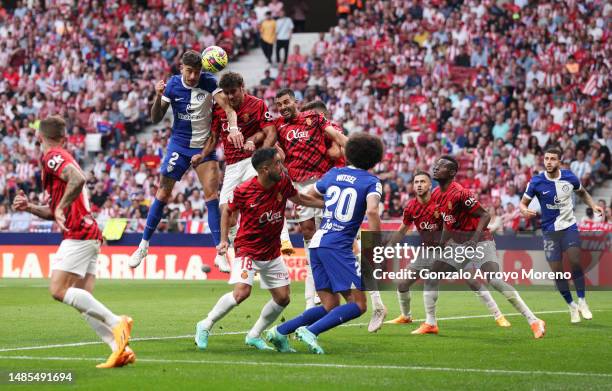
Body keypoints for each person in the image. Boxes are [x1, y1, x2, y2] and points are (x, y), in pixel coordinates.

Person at [12, 116, 134, 368]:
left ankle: (116, 322)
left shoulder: (52, 156)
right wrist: (30, 207)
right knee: (82, 300)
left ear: (40, 137)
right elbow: (55, 206)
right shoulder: (60, 158)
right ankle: (119, 349)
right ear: (65, 136)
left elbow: (78, 179)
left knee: (58, 290)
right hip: (88, 233)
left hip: (77, 232)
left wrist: (62, 208)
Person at [194, 148, 324, 350]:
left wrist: (325, 204)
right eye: (277, 163)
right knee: (242, 293)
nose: (281, 167)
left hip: (271, 251)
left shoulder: (282, 182)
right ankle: (206, 323)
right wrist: (223, 240)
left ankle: (254, 335)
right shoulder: (244, 190)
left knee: (283, 298)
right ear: (265, 169)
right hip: (248, 249)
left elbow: (300, 198)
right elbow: (227, 212)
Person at [266, 132, 383, 354]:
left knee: (330, 305)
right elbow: (372, 211)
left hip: (318, 242)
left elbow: (308, 196)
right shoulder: (372, 182)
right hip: (338, 246)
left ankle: (280, 332)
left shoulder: (334, 173)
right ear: (375, 159)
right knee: (358, 305)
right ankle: (310, 331)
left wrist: (328, 206)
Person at [129, 50, 238, 273]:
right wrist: (158, 96)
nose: (192, 77)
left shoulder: (208, 82)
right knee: (163, 193)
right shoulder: (172, 85)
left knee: (212, 195)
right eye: (189, 72)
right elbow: (155, 118)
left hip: (204, 146)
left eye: (196, 72)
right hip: (179, 145)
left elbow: (227, 108)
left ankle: (220, 253)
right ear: (181, 69)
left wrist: (232, 122)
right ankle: (143, 245)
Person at [414, 156, 545, 339]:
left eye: (441, 166)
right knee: (432, 275)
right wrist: (442, 243)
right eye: (435, 165)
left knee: (495, 280)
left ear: (452, 173)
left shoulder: (461, 193)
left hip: (480, 240)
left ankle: (534, 320)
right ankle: (430, 323)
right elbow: (447, 222)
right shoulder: (436, 194)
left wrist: (474, 240)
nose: (435, 168)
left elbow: (485, 216)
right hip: (459, 244)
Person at [301, 100, 387, 332]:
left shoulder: (337, 138)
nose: (309, 122)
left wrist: (324, 128)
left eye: (314, 118)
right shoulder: (302, 138)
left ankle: (376, 303)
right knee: (315, 246)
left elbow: (346, 147)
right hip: (330, 196)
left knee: (353, 250)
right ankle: (313, 304)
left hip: (345, 197)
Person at [385, 172, 510, 328]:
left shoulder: (440, 203)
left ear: (430, 185)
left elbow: (453, 224)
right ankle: (406, 316)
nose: (419, 184)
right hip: (427, 251)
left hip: (449, 249)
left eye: (423, 181)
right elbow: (403, 229)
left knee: (471, 280)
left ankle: (498, 315)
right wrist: (389, 246)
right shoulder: (411, 206)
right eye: (416, 182)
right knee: (403, 284)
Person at [196, 71, 294, 256]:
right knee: (226, 209)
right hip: (232, 166)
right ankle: (237, 247)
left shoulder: (256, 104)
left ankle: (284, 238)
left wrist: (262, 156)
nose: (230, 96)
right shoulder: (219, 109)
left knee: (265, 197)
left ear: (242, 88)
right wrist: (201, 156)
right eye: (226, 92)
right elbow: (214, 137)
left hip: (252, 160)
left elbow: (271, 132)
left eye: (233, 91)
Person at [272, 89, 348, 310]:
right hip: (299, 183)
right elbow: (269, 143)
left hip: (324, 180)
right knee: (307, 232)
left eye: (286, 102)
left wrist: (353, 146)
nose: (283, 106)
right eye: (279, 104)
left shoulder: (313, 118)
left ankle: (329, 284)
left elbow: (336, 138)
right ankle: (314, 275)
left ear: (296, 102)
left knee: (329, 235)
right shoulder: (279, 126)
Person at [520, 148, 603, 323]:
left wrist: (594, 205)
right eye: (546, 158)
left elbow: (582, 192)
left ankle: (582, 301)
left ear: (560, 161)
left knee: (574, 260)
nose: (549, 162)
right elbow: (523, 203)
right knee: (557, 272)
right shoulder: (536, 181)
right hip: (550, 232)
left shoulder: (569, 177)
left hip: (569, 227)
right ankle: (571, 306)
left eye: (553, 159)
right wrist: (524, 211)